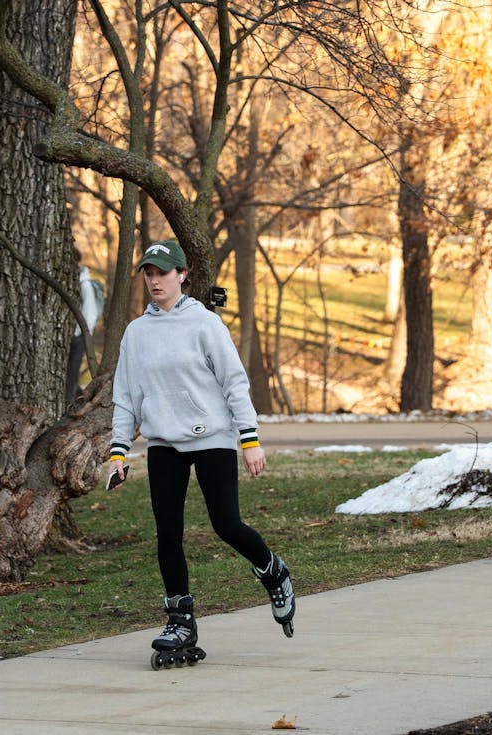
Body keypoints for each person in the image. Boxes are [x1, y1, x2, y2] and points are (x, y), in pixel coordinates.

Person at [107, 239, 296, 664]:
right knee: (167, 533)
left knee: (226, 524)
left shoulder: (205, 324)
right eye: (149, 273)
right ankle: (180, 620)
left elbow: (234, 381)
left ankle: (273, 571)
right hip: (163, 444)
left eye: (163, 272)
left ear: (182, 275)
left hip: (212, 437)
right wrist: (119, 453)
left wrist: (249, 439)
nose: (155, 280)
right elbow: (125, 398)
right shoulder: (136, 333)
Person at [66, 249, 102, 402]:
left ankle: (71, 405)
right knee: (68, 376)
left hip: (78, 338)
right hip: (71, 337)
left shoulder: (84, 285)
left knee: (71, 376)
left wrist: (78, 334)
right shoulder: (73, 283)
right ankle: (77, 400)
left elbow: (90, 315)